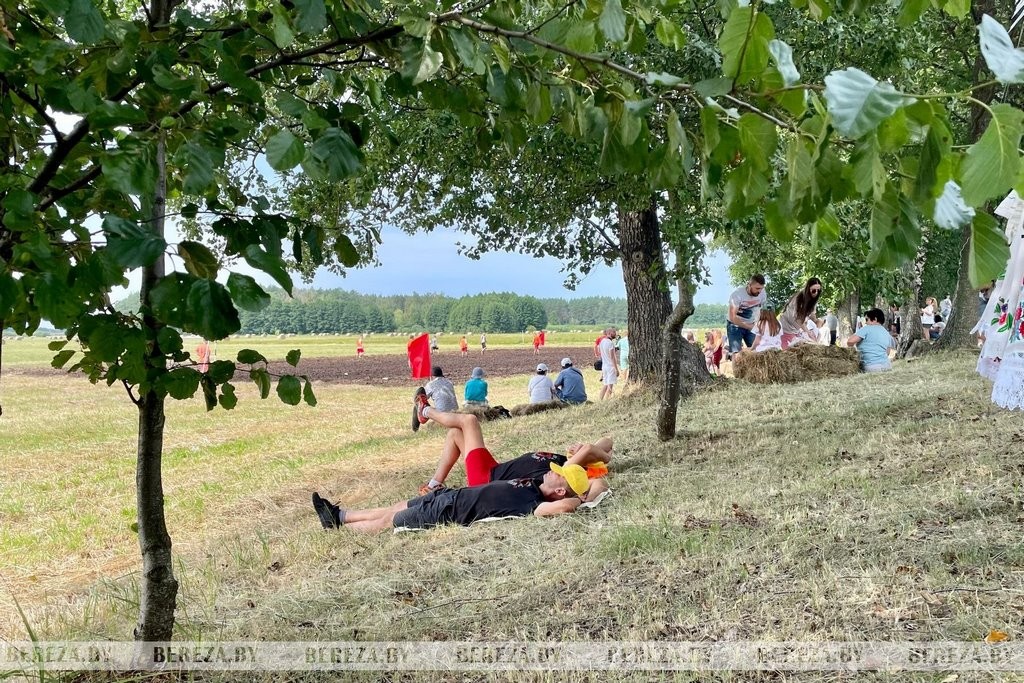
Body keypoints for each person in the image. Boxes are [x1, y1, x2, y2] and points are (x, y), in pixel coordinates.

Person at [312, 409, 605, 532]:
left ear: (559, 489)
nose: (552, 470)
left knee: (392, 520)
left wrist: (582, 496)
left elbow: (569, 504)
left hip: (451, 512)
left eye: (558, 473)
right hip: (453, 495)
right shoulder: (532, 486)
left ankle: (344, 529)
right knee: (396, 506)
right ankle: (339, 515)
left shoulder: (535, 504)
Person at [415, 409, 612, 494]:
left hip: (487, 479)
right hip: (495, 469)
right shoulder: (566, 461)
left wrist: (600, 456)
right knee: (455, 434)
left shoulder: (568, 471)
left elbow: (595, 450)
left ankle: (425, 411)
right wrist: (591, 451)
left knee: (469, 421)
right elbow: (607, 441)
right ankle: (434, 484)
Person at [726, 274, 768, 353]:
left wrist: (760, 324)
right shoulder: (737, 295)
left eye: (761, 288)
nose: (759, 291)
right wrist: (749, 327)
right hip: (735, 325)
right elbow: (732, 317)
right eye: (757, 288)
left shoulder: (762, 293)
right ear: (749, 285)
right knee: (736, 352)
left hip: (751, 324)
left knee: (757, 351)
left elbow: (763, 310)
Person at [779, 278, 823, 349]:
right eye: (814, 290)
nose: (816, 293)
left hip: (795, 330)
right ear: (808, 289)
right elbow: (798, 319)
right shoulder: (798, 299)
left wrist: (816, 321)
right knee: (788, 353)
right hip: (786, 329)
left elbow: (812, 314)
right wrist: (808, 332)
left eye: (818, 290)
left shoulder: (813, 300)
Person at [846, 308, 894, 372]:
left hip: (871, 366)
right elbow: (887, 352)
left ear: (875, 319)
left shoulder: (867, 329)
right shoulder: (887, 333)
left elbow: (850, 341)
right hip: (887, 366)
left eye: (867, 319)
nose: (865, 322)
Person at [597, 327, 619, 400]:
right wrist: (616, 369)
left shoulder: (602, 342)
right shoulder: (610, 343)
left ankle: (600, 400)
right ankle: (607, 401)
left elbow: (602, 353)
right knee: (610, 386)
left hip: (604, 367)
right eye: (614, 332)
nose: (615, 334)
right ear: (609, 333)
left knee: (605, 385)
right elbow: (612, 357)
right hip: (610, 367)